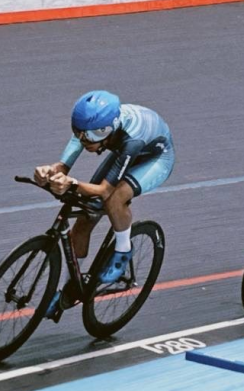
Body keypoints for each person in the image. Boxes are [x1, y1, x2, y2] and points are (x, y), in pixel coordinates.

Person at [34, 90, 175, 318]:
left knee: (114, 199)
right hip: (125, 150)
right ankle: (72, 289)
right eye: (78, 134)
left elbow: (104, 190)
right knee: (85, 217)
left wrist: (70, 183)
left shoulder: (131, 139)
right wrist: (51, 171)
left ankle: (123, 250)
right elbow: (65, 163)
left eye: (88, 137)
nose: (83, 141)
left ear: (106, 131)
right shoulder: (92, 127)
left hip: (155, 158)